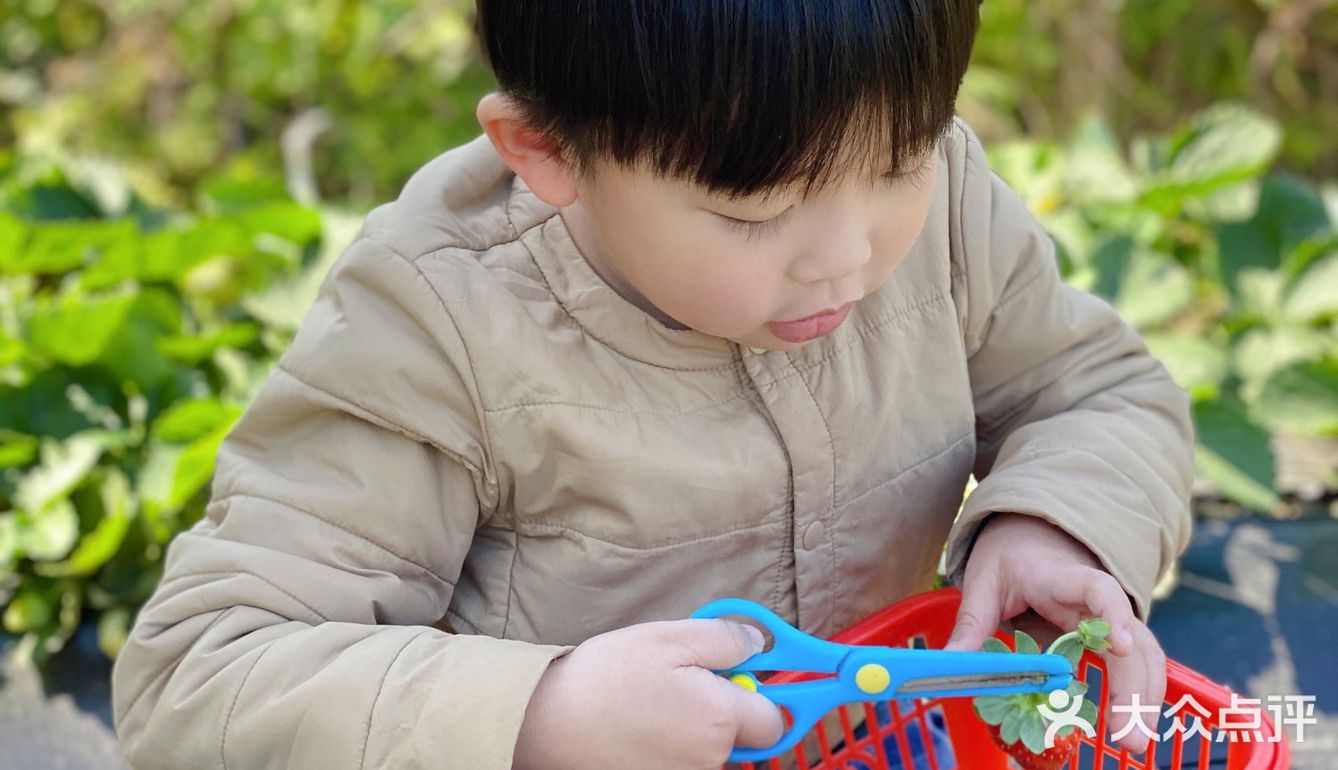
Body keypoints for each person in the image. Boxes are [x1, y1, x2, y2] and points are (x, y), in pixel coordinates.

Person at [111, 2, 1193, 768]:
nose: (846, 257)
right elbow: (200, 677)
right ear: (546, 151)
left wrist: (1064, 523)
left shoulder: (949, 206)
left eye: (902, 160)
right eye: (755, 210)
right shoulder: (439, 324)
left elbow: (1098, 388)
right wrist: (535, 715)